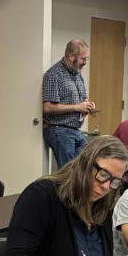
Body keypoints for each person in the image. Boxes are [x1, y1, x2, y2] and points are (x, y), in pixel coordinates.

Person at [2, 136, 128, 256]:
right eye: (103, 175)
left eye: (115, 181)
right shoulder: (41, 195)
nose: (106, 187)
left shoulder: (103, 202)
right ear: (84, 163)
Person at [42, 39, 96, 168]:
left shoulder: (77, 74)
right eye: (83, 59)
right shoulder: (54, 75)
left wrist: (86, 107)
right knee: (69, 173)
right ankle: (65, 189)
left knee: (86, 166)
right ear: (72, 56)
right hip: (59, 130)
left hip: (75, 130)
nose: (85, 62)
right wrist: (77, 107)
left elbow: (81, 102)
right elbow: (47, 107)